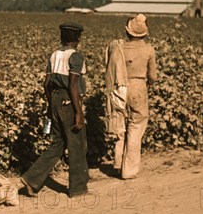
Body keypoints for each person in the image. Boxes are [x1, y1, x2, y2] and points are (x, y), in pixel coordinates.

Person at [20, 22, 90, 198]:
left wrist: (51, 105)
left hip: (56, 100)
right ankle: (78, 188)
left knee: (57, 144)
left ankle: (32, 179)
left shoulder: (54, 56)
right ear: (77, 38)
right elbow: (73, 86)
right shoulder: (75, 57)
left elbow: (46, 84)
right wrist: (79, 113)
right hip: (69, 101)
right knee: (77, 144)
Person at [105, 14, 157, 179]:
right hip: (138, 87)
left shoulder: (118, 47)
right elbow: (153, 76)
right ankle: (129, 170)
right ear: (144, 33)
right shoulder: (148, 50)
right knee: (136, 125)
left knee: (121, 124)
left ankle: (118, 162)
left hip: (119, 88)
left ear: (128, 32)